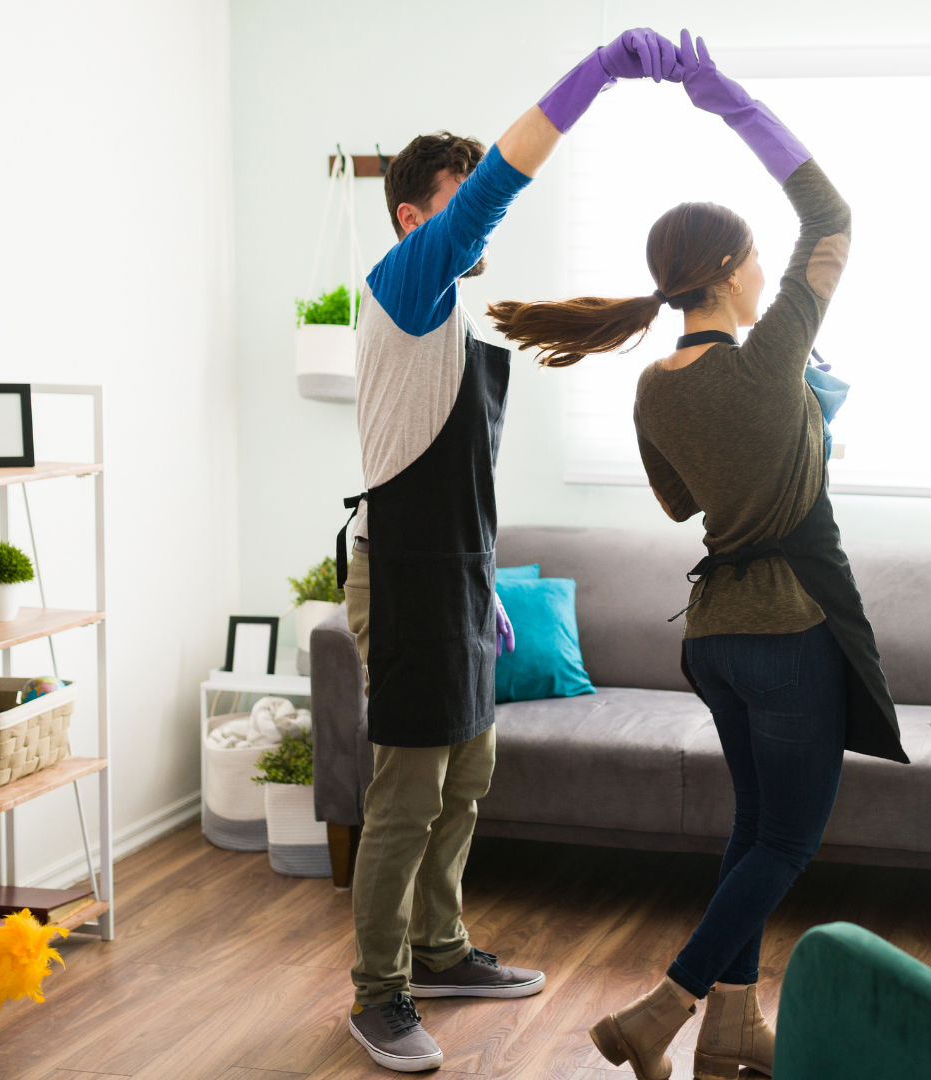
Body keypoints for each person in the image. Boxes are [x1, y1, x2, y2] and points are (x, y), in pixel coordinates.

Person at [489, 33, 909, 1080]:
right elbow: (834, 216)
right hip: (786, 628)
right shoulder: (771, 360)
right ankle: (662, 1011)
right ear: (724, 271)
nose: (772, 269)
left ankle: (733, 1025)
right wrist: (731, 104)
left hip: (715, 639)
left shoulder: (653, 385)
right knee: (788, 844)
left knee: (755, 832)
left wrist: (786, 428)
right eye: (754, 257)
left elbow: (683, 503)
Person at [336, 28, 688, 1074]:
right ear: (414, 217)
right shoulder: (403, 285)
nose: (473, 216)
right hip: (400, 585)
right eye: (455, 199)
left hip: (455, 581)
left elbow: (456, 476)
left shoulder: (444, 321)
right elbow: (496, 185)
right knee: (403, 801)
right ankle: (377, 993)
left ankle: (440, 950)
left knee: (466, 780)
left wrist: (486, 579)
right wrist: (598, 74)